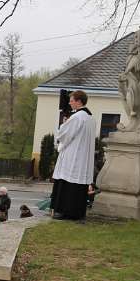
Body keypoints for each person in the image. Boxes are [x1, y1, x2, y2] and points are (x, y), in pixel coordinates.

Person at [51, 90, 96, 221]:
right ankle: (78, 213)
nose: (70, 103)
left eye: (71, 100)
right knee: (78, 186)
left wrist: (64, 123)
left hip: (73, 156)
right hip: (83, 157)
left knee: (67, 183)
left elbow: (63, 135)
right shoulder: (90, 118)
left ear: (79, 101)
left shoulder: (77, 117)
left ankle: (65, 212)